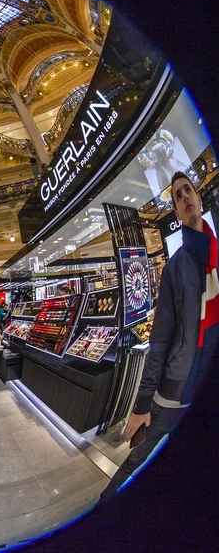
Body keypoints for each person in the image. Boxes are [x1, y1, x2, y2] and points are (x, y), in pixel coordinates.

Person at [99, 172, 219, 502]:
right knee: (139, 458)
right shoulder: (175, 267)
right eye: (178, 196)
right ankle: (106, 501)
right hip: (175, 390)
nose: (184, 198)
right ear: (177, 213)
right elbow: (161, 338)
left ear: (198, 197)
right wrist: (142, 403)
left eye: (188, 191)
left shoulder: (217, 254)